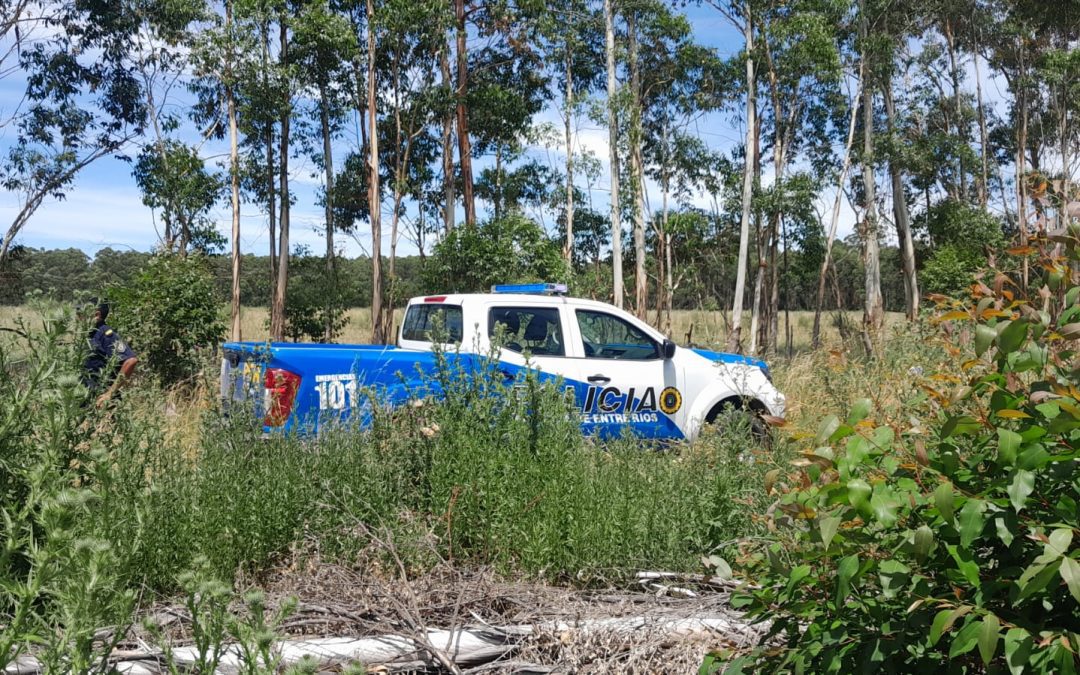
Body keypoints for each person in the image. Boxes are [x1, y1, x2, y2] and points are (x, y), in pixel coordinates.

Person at [82, 299, 138, 408]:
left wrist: (109, 394)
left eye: (81, 314)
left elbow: (131, 361)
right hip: (86, 396)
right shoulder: (90, 333)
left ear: (97, 315)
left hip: (100, 400)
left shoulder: (107, 334)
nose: (77, 317)